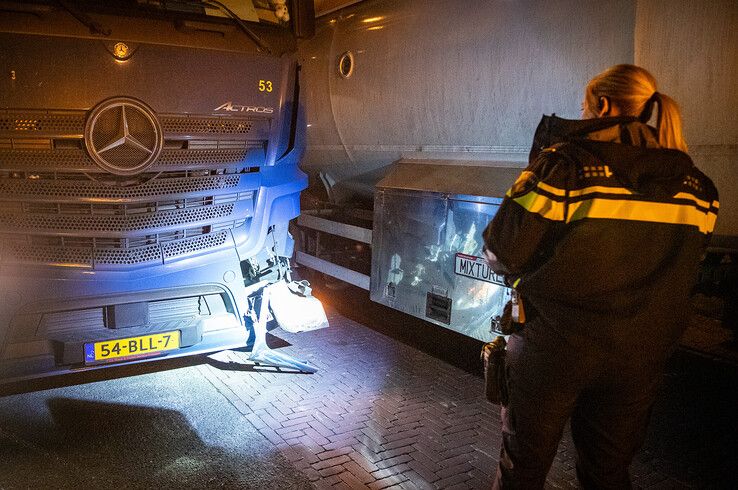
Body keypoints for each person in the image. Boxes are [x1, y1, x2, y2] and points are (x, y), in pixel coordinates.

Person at [481, 64, 719, 489]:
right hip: (640, 356)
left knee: (524, 469)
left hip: (553, 349)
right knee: (608, 473)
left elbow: (500, 250)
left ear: (604, 105)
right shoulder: (698, 187)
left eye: (584, 106)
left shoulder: (563, 168)